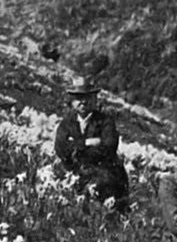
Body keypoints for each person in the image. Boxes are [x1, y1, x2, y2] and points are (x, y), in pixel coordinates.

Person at [54, 76, 129, 211]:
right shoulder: (66, 123)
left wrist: (76, 149)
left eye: (87, 97)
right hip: (75, 175)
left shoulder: (105, 122)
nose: (83, 101)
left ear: (94, 99)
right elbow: (61, 148)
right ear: (71, 101)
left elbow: (108, 148)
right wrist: (87, 143)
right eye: (78, 98)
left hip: (105, 177)